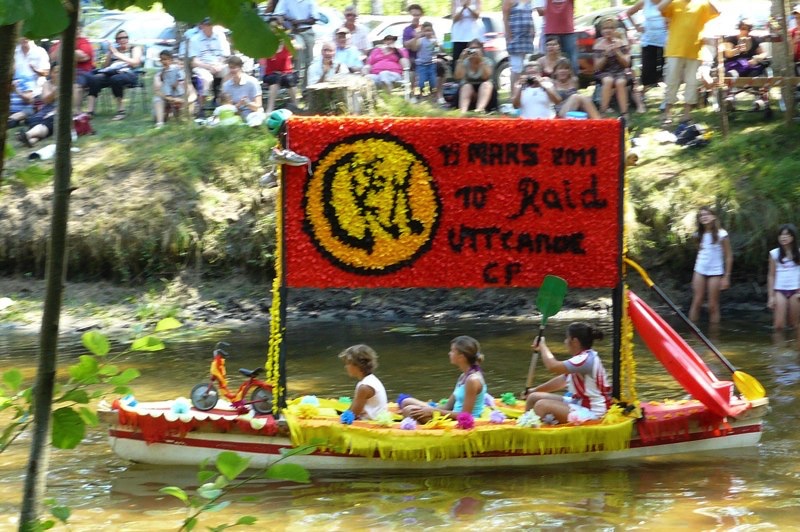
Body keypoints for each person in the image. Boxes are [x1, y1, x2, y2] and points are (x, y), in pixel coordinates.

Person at [524, 323, 611, 424]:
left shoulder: (585, 359)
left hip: (594, 412)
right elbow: (562, 381)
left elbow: (553, 366)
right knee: (533, 397)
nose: (565, 342)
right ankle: (525, 424)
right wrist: (534, 390)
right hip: (579, 403)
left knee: (541, 406)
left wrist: (542, 346)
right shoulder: (581, 358)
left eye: (567, 338)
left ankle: (532, 429)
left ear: (575, 341)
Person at [399, 335, 487, 423]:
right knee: (406, 402)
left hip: (461, 421)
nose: (449, 353)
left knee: (409, 410)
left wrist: (432, 412)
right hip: (452, 414)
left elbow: (465, 415)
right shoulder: (463, 376)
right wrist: (427, 409)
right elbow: (448, 406)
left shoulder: (472, 380)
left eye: (452, 351)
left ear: (461, 356)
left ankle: (417, 427)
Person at [657, 0, 719, 126]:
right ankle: (668, 113)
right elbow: (659, 8)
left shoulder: (702, 3)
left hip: (695, 51)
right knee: (671, 81)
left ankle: (686, 114)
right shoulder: (674, 2)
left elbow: (717, 11)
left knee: (692, 83)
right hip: (674, 50)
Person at [85, 29, 143, 120]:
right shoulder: (114, 51)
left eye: (125, 37)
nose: (123, 40)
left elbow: (135, 63)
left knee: (116, 79)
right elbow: (105, 67)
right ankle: (90, 111)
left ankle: (121, 111)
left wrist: (117, 54)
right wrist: (110, 53)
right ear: (116, 40)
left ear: (128, 39)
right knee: (95, 78)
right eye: (120, 38)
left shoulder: (135, 48)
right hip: (112, 73)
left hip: (129, 73)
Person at [689, 206, 732, 324]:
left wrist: (726, 277)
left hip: (716, 271)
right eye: (701, 215)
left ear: (713, 217)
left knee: (712, 305)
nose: (704, 217)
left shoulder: (722, 234)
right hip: (700, 270)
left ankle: (714, 334)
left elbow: (728, 256)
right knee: (697, 302)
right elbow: (700, 251)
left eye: (707, 214)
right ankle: (692, 332)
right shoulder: (697, 235)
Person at [626, 0, 667, 103]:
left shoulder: (667, 2)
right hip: (649, 40)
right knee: (648, 68)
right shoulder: (644, 2)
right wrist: (637, 26)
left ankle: (668, 96)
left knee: (665, 68)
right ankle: (643, 93)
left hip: (665, 40)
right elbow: (629, 13)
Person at [189, 17, 231, 115]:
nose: (209, 27)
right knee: (207, 79)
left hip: (218, 64)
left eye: (211, 24)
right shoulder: (195, 39)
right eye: (207, 25)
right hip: (202, 66)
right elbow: (194, 62)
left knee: (229, 72)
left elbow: (225, 56)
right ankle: (201, 107)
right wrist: (208, 67)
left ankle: (221, 99)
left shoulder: (220, 36)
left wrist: (219, 65)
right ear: (202, 26)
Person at [48, 22, 94, 111]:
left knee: (75, 85)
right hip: (61, 72)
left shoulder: (84, 42)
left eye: (77, 29)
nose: (75, 31)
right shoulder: (59, 43)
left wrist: (64, 52)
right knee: (49, 83)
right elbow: (53, 58)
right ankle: (51, 109)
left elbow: (83, 57)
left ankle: (74, 111)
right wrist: (64, 44)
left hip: (81, 71)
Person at [593, 16, 632, 117]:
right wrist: (605, 55)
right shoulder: (598, 45)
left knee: (620, 82)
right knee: (608, 80)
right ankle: (602, 111)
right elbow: (597, 67)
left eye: (611, 28)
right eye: (605, 28)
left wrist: (617, 52)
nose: (608, 30)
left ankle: (624, 114)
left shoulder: (621, 43)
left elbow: (626, 64)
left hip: (620, 71)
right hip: (605, 72)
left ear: (615, 30)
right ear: (601, 31)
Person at [338, 344, 388, 420]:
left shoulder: (364, 387)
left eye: (348, 363)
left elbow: (353, 414)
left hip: (372, 423)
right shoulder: (370, 380)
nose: (345, 367)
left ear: (357, 365)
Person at [16, 64, 58, 148]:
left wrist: (54, 112)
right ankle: (29, 139)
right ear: (51, 73)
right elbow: (46, 100)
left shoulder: (70, 85)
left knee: (47, 124)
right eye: (56, 72)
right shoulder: (47, 84)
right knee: (40, 124)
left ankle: (27, 135)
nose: (59, 74)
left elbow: (72, 105)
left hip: (56, 114)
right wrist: (56, 90)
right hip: (43, 113)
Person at [767, 224, 800, 331]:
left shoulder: (798, 253)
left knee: (795, 324)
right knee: (779, 325)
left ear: (793, 237)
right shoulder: (774, 253)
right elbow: (771, 275)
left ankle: (793, 342)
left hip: (796, 290)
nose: (783, 237)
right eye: (781, 235)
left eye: (787, 235)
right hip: (780, 290)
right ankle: (779, 342)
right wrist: (771, 296)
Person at [273, 0, 319, 75]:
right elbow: (278, 15)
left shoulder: (311, 1)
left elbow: (314, 18)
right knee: (298, 56)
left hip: (307, 31)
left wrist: (298, 22)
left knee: (309, 60)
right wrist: (289, 22)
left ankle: (307, 81)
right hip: (294, 32)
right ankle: (296, 79)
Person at [454, 39, 497, 114]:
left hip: (485, 91)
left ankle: (479, 110)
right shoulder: (465, 61)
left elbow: (486, 77)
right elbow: (458, 76)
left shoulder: (487, 61)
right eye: (471, 48)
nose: (473, 51)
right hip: (468, 90)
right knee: (466, 86)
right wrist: (461, 59)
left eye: (476, 48)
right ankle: (463, 112)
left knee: (486, 84)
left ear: (481, 49)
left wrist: (481, 60)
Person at [535, 0, 578, 74]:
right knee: (549, 60)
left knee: (572, 61)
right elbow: (540, 12)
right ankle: (549, 79)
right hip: (551, 31)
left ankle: (573, 80)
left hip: (568, 30)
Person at [261, 32, 298, 114]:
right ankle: (270, 108)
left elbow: (298, 47)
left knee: (290, 79)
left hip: (286, 73)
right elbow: (262, 62)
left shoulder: (287, 47)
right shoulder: (268, 48)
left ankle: (296, 106)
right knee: (275, 79)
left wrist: (292, 42)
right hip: (271, 74)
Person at [221, 55, 264, 125]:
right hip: (236, 115)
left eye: (234, 68)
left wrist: (246, 103)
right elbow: (227, 108)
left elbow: (258, 106)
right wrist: (238, 106)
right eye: (230, 68)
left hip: (253, 113)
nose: (231, 70)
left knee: (255, 118)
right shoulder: (226, 86)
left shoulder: (252, 82)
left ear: (240, 68)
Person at [503, 0, 536, 90]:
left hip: (527, 38)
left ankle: (523, 92)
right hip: (515, 36)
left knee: (524, 67)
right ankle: (514, 94)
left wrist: (533, 30)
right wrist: (508, 36)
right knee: (516, 67)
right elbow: (505, 18)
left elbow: (530, 17)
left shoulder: (528, 1)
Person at [153, 50, 187, 128]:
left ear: (171, 60)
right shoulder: (160, 72)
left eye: (165, 59)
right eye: (161, 60)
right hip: (166, 96)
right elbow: (157, 90)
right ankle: (159, 123)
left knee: (180, 113)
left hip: (177, 94)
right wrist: (163, 72)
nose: (163, 62)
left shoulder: (177, 70)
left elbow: (182, 79)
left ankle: (178, 116)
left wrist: (177, 83)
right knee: (157, 100)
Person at [451, 0, 485, 68]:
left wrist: (468, 6)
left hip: (474, 37)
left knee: (476, 62)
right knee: (457, 63)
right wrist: (463, 8)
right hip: (459, 37)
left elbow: (477, 15)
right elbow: (454, 18)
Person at [413, 22, 440, 100]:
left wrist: (436, 46)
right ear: (423, 32)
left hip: (431, 64)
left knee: (433, 82)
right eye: (426, 31)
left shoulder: (434, 41)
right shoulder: (420, 40)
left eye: (430, 30)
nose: (428, 33)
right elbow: (415, 48)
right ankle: (418, 95)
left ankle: (431, 96)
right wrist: (416, 38)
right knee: (421, 82)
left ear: (432, 31)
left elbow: (436, 51)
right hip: (421, 65)